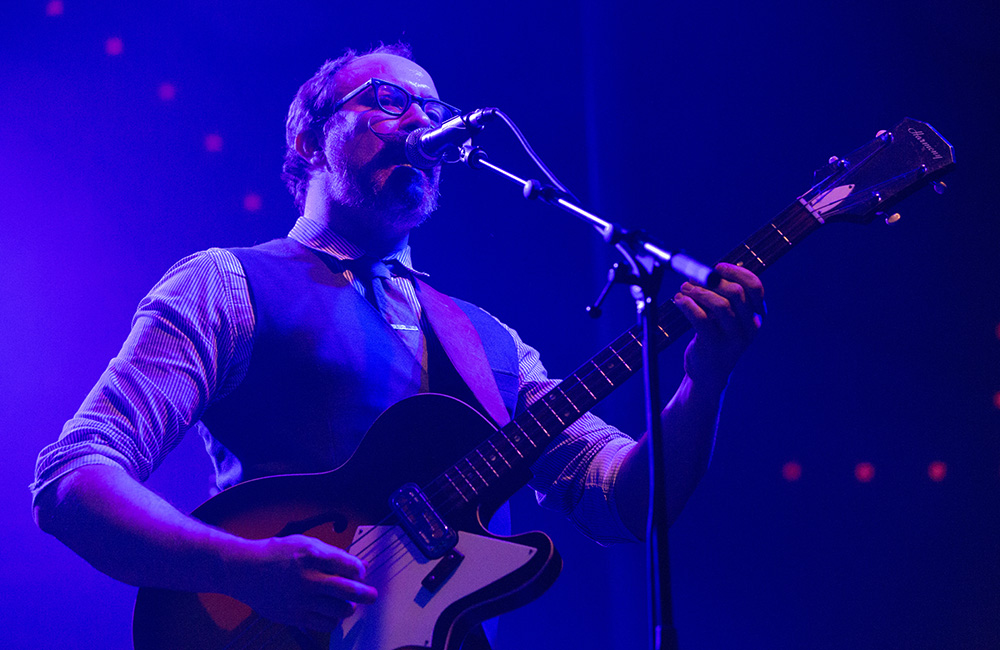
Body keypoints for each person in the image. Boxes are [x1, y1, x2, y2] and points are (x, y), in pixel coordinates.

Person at [31, 43, 765, 644]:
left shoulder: (492, 340)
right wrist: (244, 569)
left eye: (434, 109)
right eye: (389, 100)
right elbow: (74, 476)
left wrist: (703, 384)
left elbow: (626, 501)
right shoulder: (226, 283)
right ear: (307, 138)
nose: (421, 120)